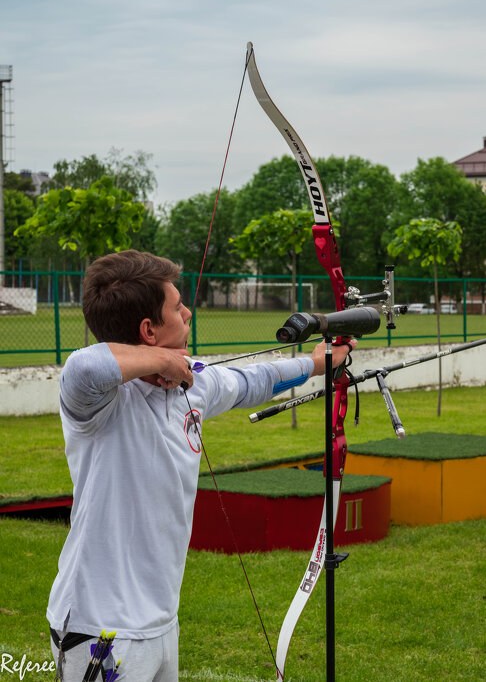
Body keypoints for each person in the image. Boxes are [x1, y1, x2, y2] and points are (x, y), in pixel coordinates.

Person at [47, 250, 354, 681]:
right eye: (177, 307)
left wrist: (318, 363)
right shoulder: (99, 403)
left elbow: (253, 381)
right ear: (148, 331)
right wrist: (162, 362)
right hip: (99, 625)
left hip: (160, 620)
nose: (188, 311)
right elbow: (83, 366)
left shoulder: (193, 383)